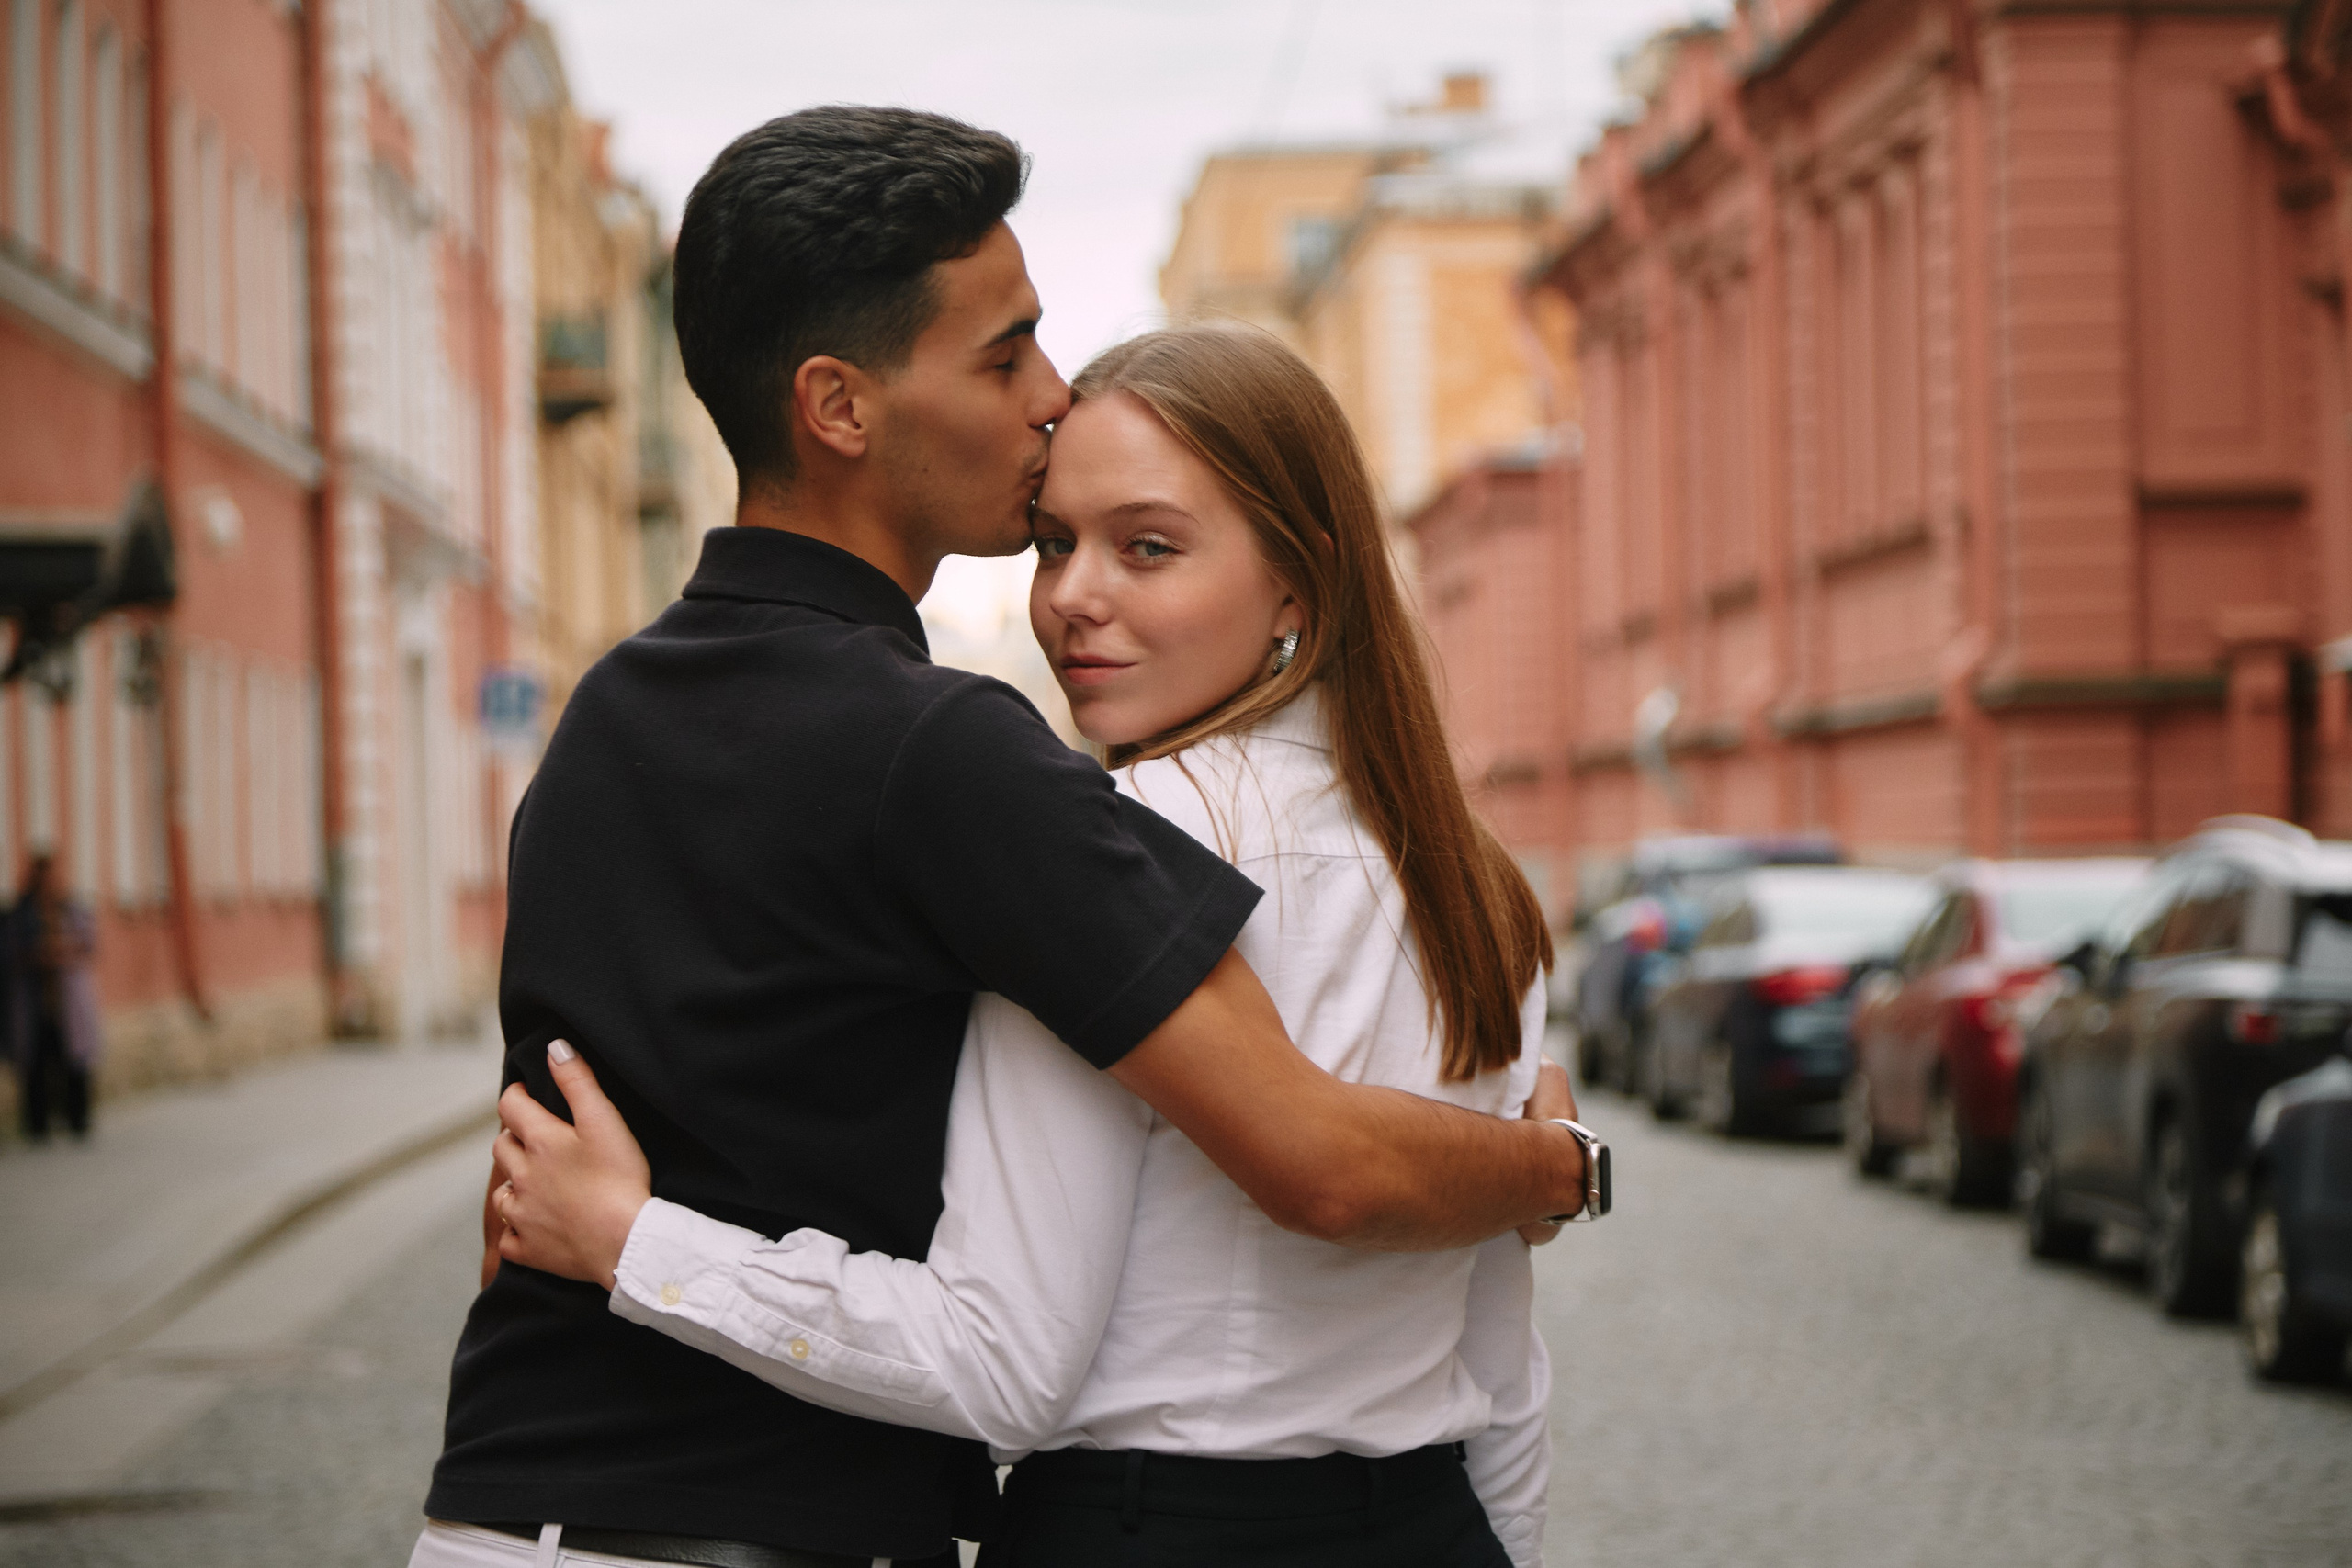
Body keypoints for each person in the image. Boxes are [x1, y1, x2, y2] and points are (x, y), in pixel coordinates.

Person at [412, 108, 1589, 1568]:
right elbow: (1315, 1159)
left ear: (1301, 578)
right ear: (839, 406)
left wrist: (618, 1236)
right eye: (1005, 352)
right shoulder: (955, 758)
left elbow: (528, 1178)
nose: (1048, 395)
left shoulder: (597, 724)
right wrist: (1555, 1168)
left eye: (1144, 544)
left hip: (495, 1518)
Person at [11, 853, 99, 1143]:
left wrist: (63, 953)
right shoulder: (21, 913)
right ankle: (38, 1124)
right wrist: (35, 956)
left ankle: (78, 1119)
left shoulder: (70, 909)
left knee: (74, 1061)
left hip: (67, 1000)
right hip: (35, 1001)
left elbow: (89, 944)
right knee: (35, 1063)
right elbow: (10, 949)